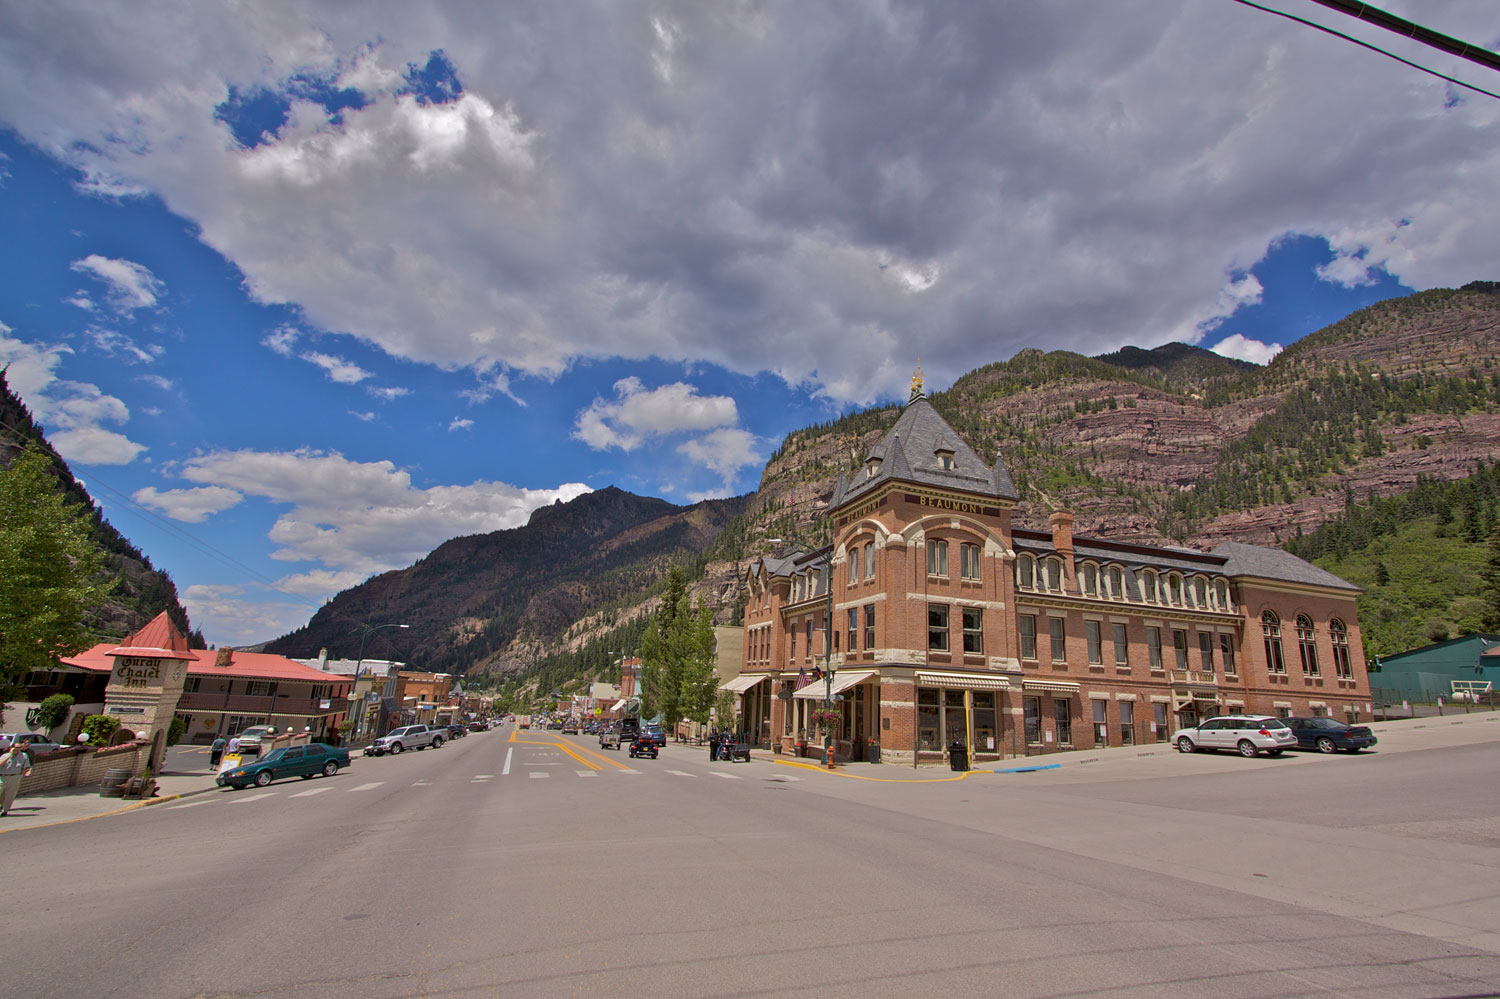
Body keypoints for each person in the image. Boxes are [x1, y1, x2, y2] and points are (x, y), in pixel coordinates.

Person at [0, 741, 34, 817]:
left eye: (19, 748)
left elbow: (25, 767)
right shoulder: (5, 755)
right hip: (3, 776)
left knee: (10, 794)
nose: (17, 749)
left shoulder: (24, 756)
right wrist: (9, 756)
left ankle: (5, 810)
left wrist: (24, 774)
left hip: (15, 777)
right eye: (15, 747)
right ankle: (1, 805)